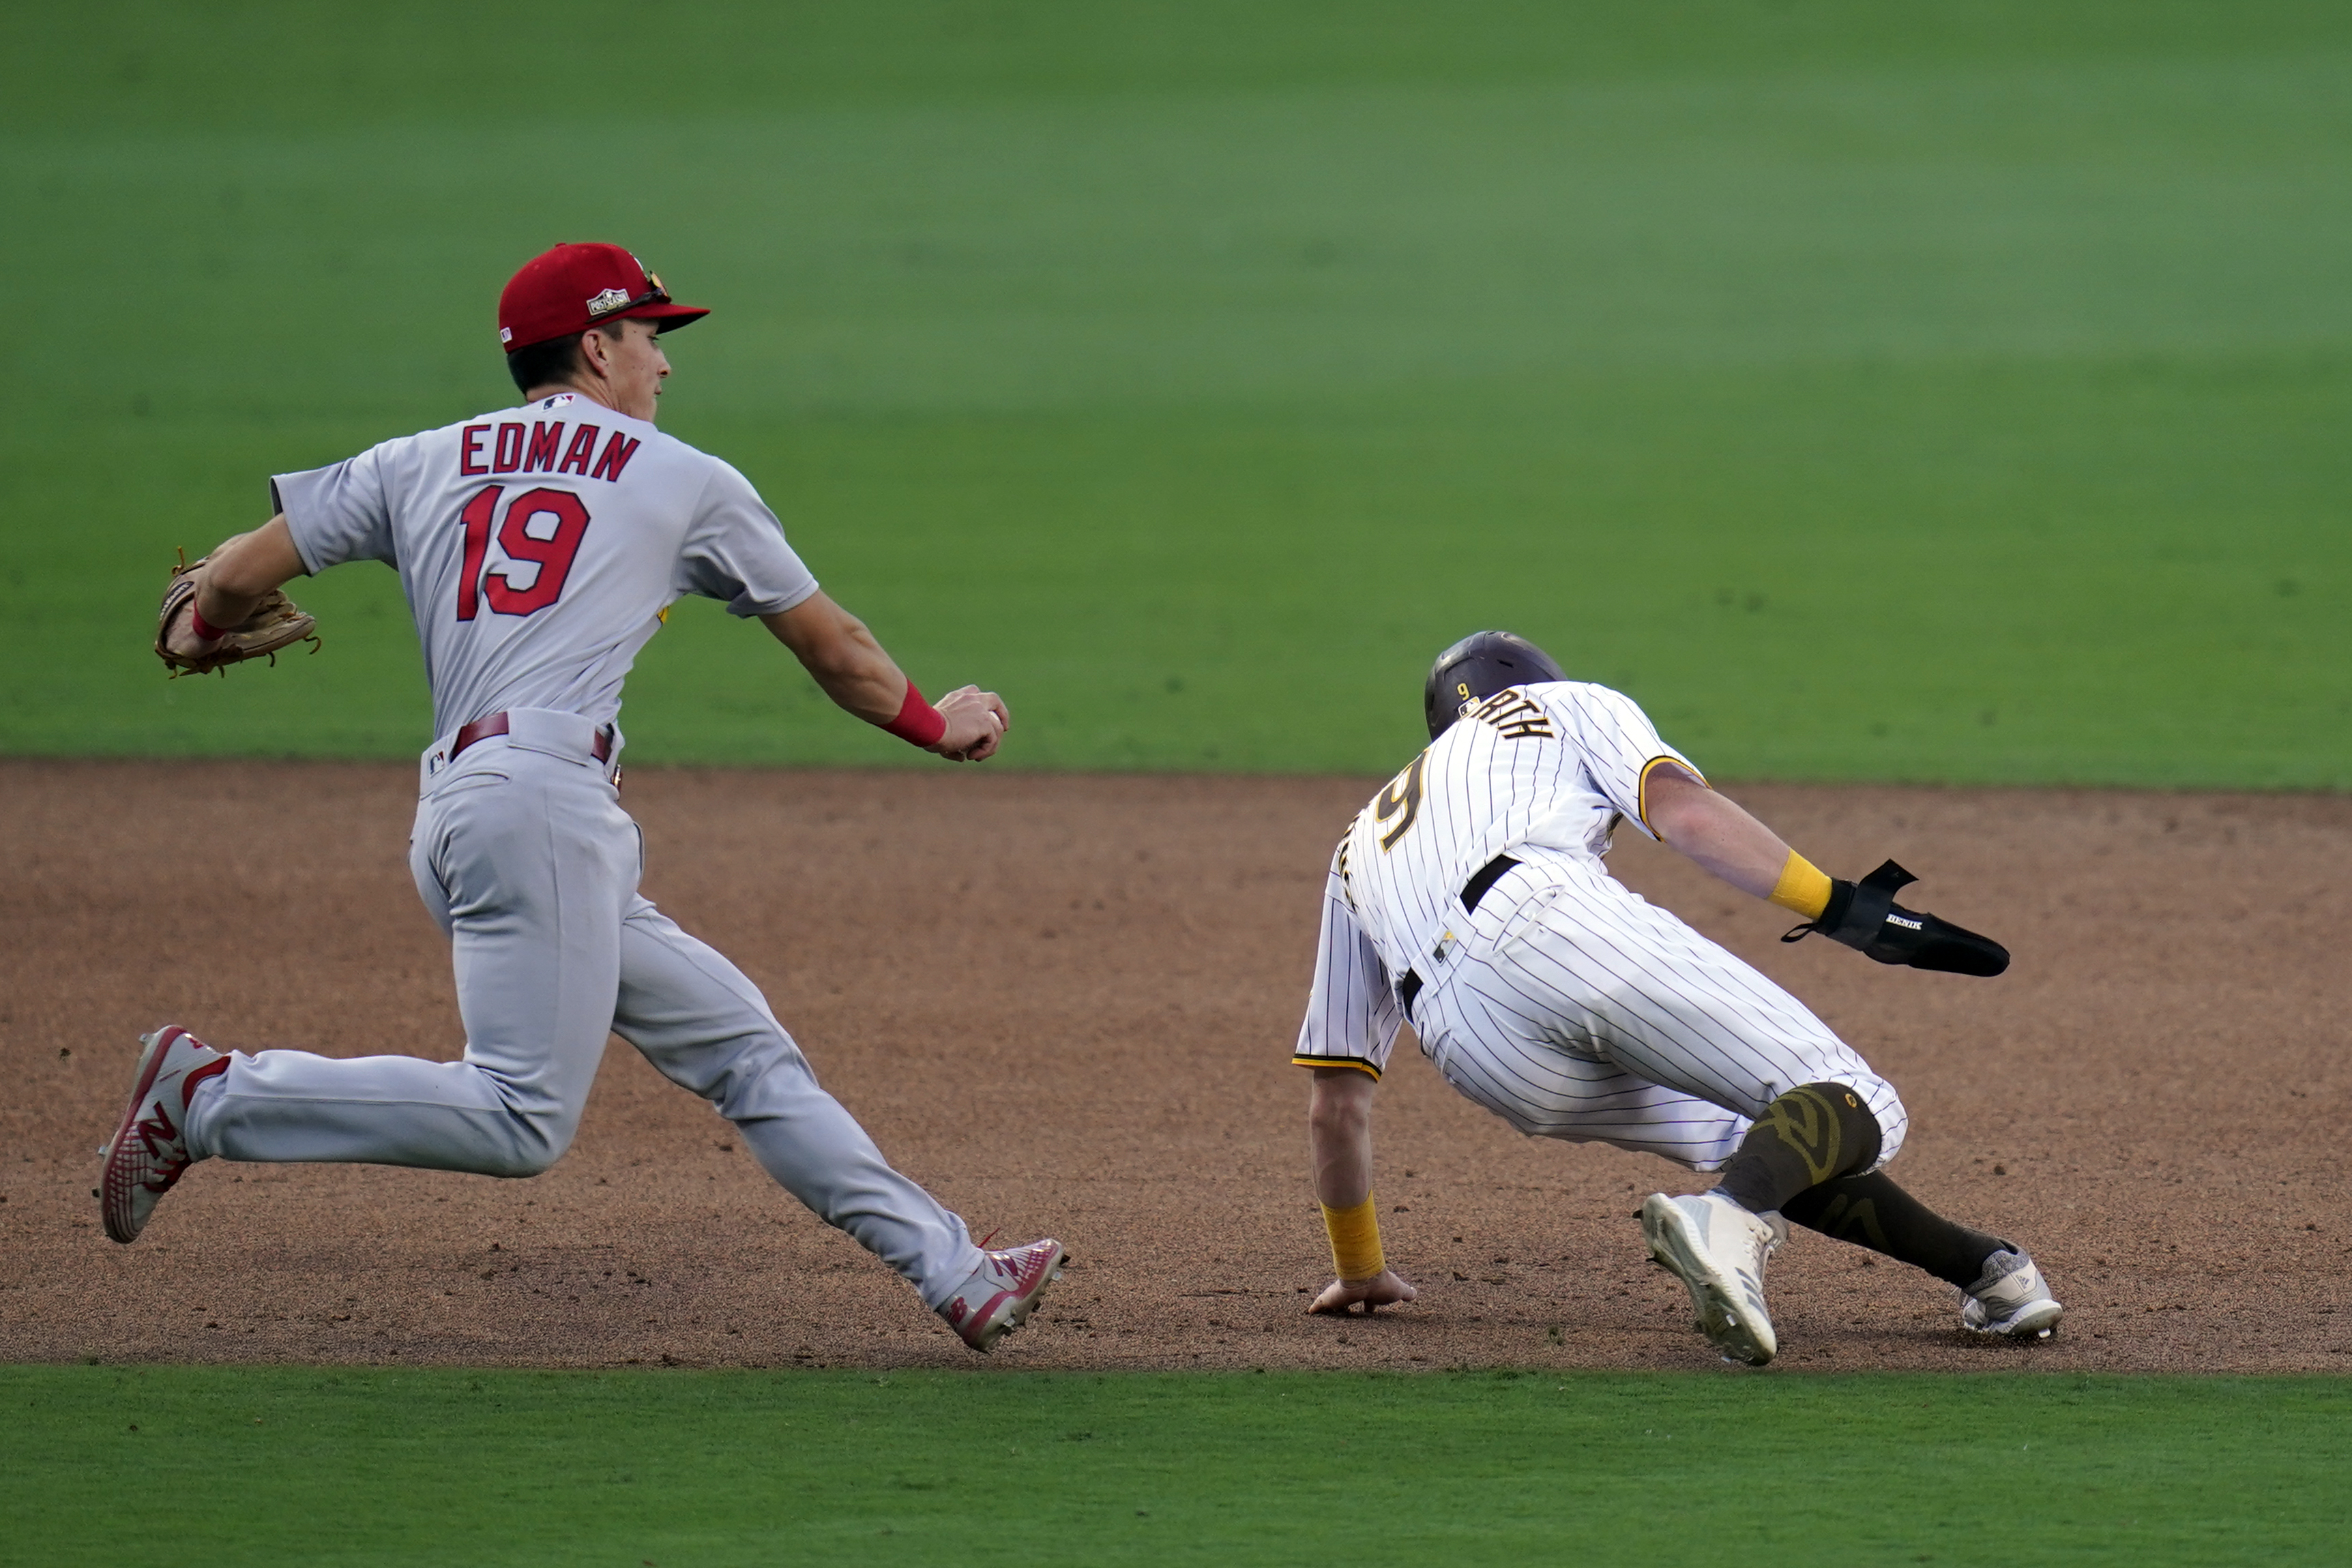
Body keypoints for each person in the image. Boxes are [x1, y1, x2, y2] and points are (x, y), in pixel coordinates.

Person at [101, 242, 1064, 1354]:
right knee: (519, 1116)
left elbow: (229, 577)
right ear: (597, 344)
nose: (664, 365)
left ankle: (956, 1272)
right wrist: (940, 724)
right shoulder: (682, 478)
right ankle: (207, 1094)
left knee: (745, 1052)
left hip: (475, 809)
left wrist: (208, 622)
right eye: (651, 336)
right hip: (540, 814)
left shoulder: (418, 457)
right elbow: (838, 649)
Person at [1292, 630, 2060, 1365]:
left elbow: (1336, 1101)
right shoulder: (1558, 705)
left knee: (1764, 1141)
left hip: (1476, 1051)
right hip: (1548, 920)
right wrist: (1836, 906)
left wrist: (1359, 1266)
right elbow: (1685, 815)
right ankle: (1724, 1224)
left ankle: (1989, 1274)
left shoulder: (1355, 846)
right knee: (1857, 1098)